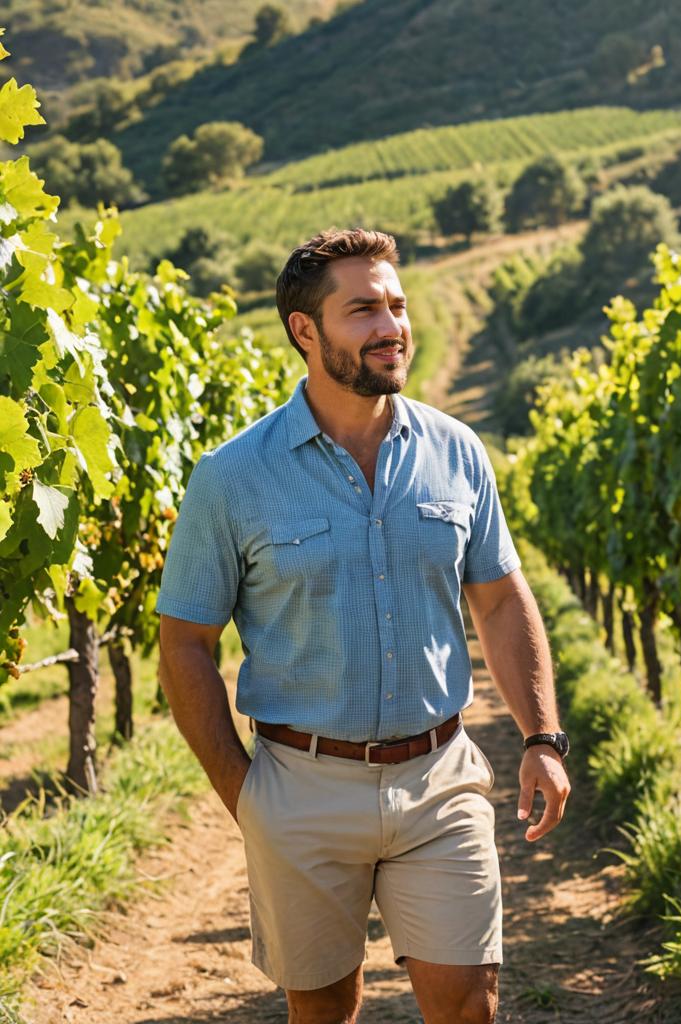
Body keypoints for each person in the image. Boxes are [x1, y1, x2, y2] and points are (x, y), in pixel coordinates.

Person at [157, 227, 571, 1024]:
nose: (391, 327)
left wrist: (542, 738)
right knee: (323, 1010)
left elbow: (501, 601)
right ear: (304, 330)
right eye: (363, 310)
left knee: (469, 1006)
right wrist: (244, 794)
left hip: (440, 776)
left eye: (397, 305)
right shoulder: (232, 478)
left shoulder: (457, 451)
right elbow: (186, 643)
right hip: (300, 786)